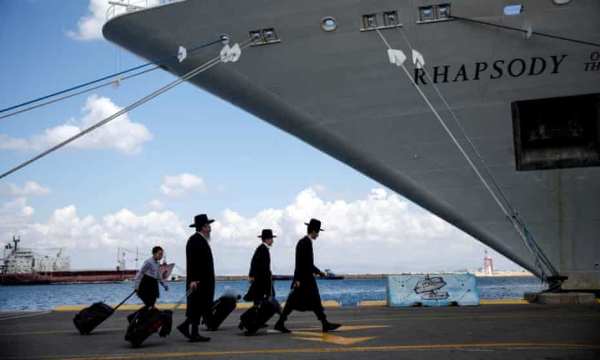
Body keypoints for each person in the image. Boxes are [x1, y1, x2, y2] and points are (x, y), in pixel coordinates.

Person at [274, 219, 341, 333]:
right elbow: (303, 263)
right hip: (305, 279)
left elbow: (304, 263)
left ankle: (325, 324)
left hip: (305, 278)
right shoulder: (305, 243)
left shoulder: (304, 242)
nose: (318, 235)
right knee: (300, 302)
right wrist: (316, 273)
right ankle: (280, 323)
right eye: (317, 232)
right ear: (314, 231)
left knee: (305, 302)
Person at [177, 214, 215, 343]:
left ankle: (190, 330)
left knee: (199, 307)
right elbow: (193, 261)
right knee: (197, 307)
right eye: (208, 226)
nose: (210, 228)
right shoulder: (195, 240)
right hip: (198, 281)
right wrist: (193, 279)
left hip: (202, 281)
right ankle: (192, 333)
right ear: (203, 227)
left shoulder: (200, 239)